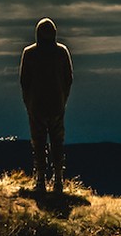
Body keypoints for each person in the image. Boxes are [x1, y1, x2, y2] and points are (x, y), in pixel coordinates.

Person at [19, 17, 73, 193]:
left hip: (36, 106)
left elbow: (24, 81)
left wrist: (29, 102)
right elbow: (69, 79)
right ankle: (58, 181)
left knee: (39, 143)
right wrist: (63, 99)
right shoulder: (62, 52)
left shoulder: (29, 53)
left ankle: (40, 180)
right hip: (57, 105)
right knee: (58, 142)